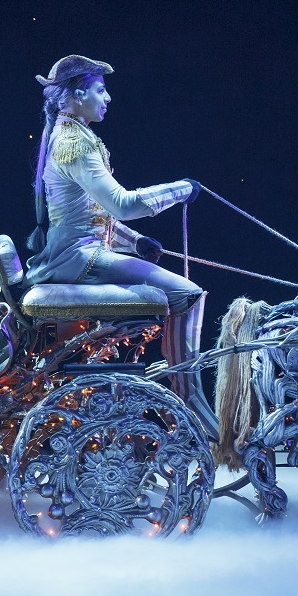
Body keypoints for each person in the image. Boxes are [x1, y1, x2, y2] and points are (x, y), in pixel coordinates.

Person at [23, 55, 216, 430]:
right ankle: (188, 402)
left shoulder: (72, 136)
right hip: (80, 259)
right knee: (188, 295)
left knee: (182, 291)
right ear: (78, 95)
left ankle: (177, 390)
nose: (107, 97)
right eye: (100, 89)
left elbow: (91, 214)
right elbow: (123, 205)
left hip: (80, 253)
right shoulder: (74, 144)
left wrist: (136, 240)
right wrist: (181, 188)